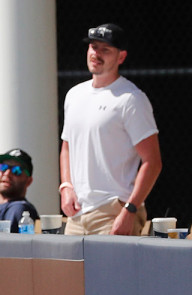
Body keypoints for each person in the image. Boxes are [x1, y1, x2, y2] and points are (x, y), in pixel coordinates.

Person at [60, 23, 161, 236]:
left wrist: (130, 209)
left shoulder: (131, 99)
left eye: (105, 49)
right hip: (76, 216)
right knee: (70, 271)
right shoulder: (74, 95)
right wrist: (66, 187)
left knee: (112, 271)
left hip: (112, 213)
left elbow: (152, 162)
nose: (96, 53)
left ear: (121, 57)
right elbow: (67, 147)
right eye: (93, 47)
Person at [0, 149, 39, 233]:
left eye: (17, 170)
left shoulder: (19, 208)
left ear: (28, 181)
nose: (7, 173)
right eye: (3, 167)